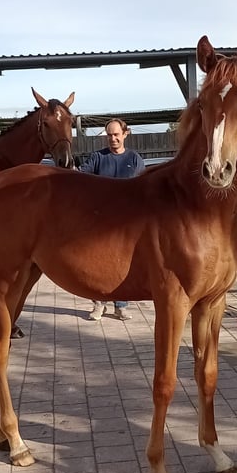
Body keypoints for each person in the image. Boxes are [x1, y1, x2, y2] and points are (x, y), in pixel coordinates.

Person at [78, 118, 145, 321]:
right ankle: (99, 304)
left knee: (123, 265)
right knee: (98, 265)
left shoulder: (135, 159)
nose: (113, 139)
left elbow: (144, 187)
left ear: (125, 134)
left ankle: (121, 305)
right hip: (101, 223)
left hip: (127, 223)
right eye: (109, 135)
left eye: (116, 134)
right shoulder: (98, 157)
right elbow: (80, 179)